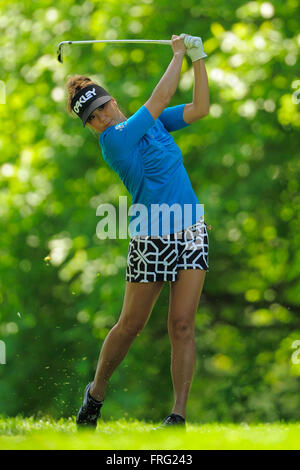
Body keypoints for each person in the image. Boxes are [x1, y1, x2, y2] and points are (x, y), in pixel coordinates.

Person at [66, 34, 211, 430]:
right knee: (131, 325)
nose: (100, 116)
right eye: (91, 117)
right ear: (91, 125)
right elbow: (160, 98)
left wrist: (199, 59)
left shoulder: (153, 123)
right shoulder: (114, 141)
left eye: (101, 106)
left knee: (182, 325)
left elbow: (200, 108)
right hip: (151, 238)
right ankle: (96, 393)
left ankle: (178, 415)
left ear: (111, 100)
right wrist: (179, 53)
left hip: (192, 232)